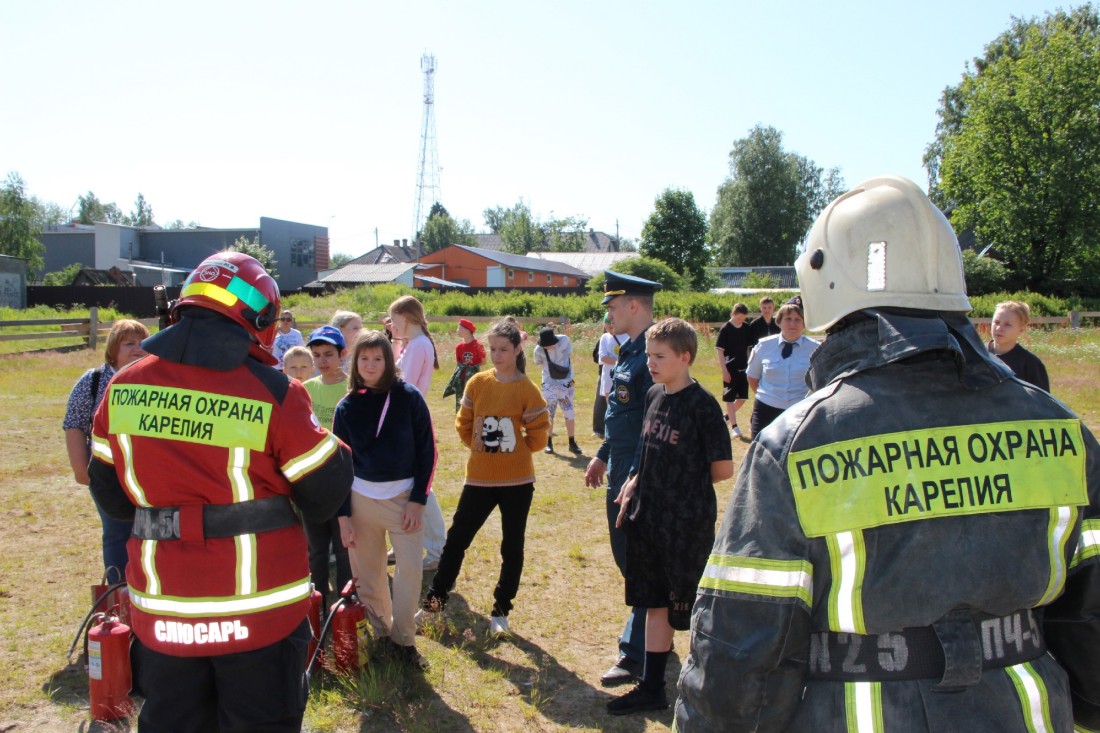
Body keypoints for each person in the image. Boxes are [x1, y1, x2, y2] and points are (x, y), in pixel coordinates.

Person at [675, 175, 1100, 732]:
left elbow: (746, 642)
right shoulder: (1061, 428)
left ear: (826, 283)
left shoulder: (797, 443)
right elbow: (1089, 616)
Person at [88, 251, 353, 732]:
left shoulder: (122, 388)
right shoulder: (274, 392)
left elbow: (110, 498)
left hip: (165, 615)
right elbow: (324, 495)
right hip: (260, 615)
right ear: (261, 318)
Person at [607, 318, 734, 715]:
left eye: (660, 356)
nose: (652, 363)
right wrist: (635, 481)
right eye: (648, 355)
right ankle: (652, 687)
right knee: (653, 601)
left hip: (685, 524)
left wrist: (682, 484)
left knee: (694, 608)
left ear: (685, 356)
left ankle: (708, 687)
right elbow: (648, 450)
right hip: (648, 518)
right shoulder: (654, 395)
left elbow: (723, 469)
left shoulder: (702, 405)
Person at [418, 320, 550, 637]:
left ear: (518, 349)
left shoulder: (528, 390)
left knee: (512, 546)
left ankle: (501, 611)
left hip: (518, 482)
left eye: (503, 349)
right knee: (457, 541)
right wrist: (482, 449)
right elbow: (463, 425)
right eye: (492, 349)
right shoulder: (477, 383)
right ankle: (434, 603)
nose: (496, 355)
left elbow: (539, 436)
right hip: (478, 479)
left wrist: (515, 450)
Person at [333, 330, 437, 670]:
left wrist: (418, 501)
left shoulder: (408, 397)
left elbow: (427, 451)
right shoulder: (346, 406)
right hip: (361, 501)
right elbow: (340, 466)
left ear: (389, 361)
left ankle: (404, 642)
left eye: (378, 358)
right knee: (369, 576)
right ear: (354, 362)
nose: (371, 364)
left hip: (404, 500)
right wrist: (344, 517)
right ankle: (380, 635)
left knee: (409, 572)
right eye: (364, 358)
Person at [584, 270, 662, 687]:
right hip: (620, 471)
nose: (608, 315)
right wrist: (601, 456)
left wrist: (635, 474)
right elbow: (624, 417)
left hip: (639, 476)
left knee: (640, 565)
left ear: (634, 305)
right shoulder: (631, 351)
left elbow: (657, 425)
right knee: (629, 562)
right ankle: (653, 637)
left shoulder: (654, 356)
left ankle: (636, 654)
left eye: (613, 307)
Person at [63, 318, 149, 581]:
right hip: (106, 474)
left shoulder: (153, 379)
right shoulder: (93, 380)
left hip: (146, 473)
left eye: (142, 343)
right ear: (113, 349)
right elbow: (74, 424)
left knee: (150, 532)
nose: (137, 348)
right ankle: (118, 594)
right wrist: (81, 470)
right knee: (116, 531)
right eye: (129, 343)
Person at [388, 295, 446, 571]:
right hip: (405, 422)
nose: (392, 325)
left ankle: (438, 548)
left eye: (395, 319)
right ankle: (408, 544)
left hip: (408, 423)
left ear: (407, 317)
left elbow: (402, 383)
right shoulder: (414, 344)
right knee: (407, 485)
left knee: (421, 487)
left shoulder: (418, 346)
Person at [302, 325, 354, 609]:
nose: (323, 361)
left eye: (329, 354)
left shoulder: (352, 389)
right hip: (313, 480)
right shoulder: (305, 389)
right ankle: (318, 605)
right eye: (317, 354)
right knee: (316, 550)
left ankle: (347, 603)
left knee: (345, 547)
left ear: (342, 354)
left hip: (344, 480)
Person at [745, 299, 818, 437]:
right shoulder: (764, 346)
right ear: (779, 321)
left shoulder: (815, 349)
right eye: (788, 318)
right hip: (766, 409)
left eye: (798, 319)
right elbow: (752, 376)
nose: (792, 323)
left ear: (804, 323)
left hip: (800, 410)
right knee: (760, 451)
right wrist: (769, 396)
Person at [532, 326, 582, 455]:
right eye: (546, 345)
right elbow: (537, 362)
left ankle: (572, 442)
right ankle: (548, 443)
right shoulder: (538, 350)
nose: (549, 347)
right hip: (549, 383)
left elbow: (569, 354)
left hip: (566, 383)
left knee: (569, 411)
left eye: (551, 344)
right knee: (549, 413)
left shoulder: (565, 340)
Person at [988, 300, 1050, 391]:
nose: (999, 328)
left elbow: (1042, 402)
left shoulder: (1030, 363)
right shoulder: (977, 354)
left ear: (1021, 329)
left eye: (1007, 325)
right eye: (996, 322)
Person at [714, 303, 753, 439]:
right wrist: (724, 371)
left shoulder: (746, 328)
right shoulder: (725, 329)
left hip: (744, 369)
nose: (740, 321)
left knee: (742, 398)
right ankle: (734, 427)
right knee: (729, 398)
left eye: (743, 319)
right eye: (738, 319)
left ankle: (725, 417)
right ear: (733, 314)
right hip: (730, 369)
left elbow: (749, 349)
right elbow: (719, 350)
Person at [443, 318, 486, 412]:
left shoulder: (478, 345)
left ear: (467, 331)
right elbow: (458, 363)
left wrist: (471, 367)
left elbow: (483, 361)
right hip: (461, 378)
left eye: (460, 328)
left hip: (472, 377)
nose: (457, 330)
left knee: (472, 397)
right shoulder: (459, 347)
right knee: (460, 398)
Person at [592, 314, 624, 438]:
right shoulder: (604, 338)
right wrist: (619, 362)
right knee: (607, 403)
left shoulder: (626, 335)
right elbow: (601, 357)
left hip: (623, 375)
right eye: (608, 323)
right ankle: (606, 431)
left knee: (622, 401)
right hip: (607, 375)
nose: (611, 326)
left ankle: (619, 429)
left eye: (612, 323)